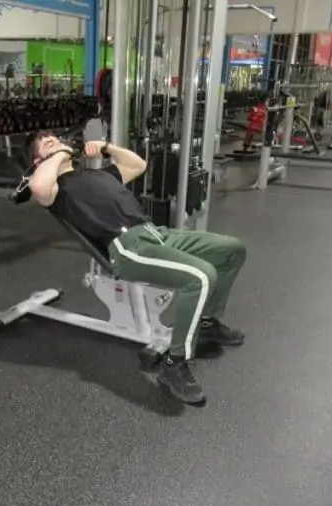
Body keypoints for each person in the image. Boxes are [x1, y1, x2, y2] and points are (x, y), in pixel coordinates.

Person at [25, 131, 247, 406]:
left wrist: (106, 147)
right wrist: (59, 154)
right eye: (49, 144)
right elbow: (37, 187)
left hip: (156, 233)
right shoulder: (58, 191)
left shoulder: (97, 176)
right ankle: (174, 365)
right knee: (201, 277)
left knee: (233, 249)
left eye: (57, 140)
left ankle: (207, 321)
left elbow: (137, 165)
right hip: (128, 248)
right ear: (39, 161)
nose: (58, 144)